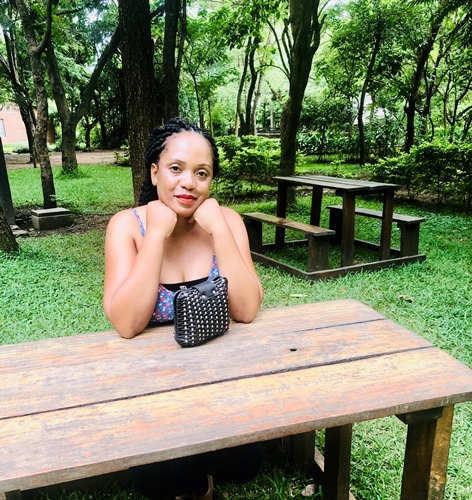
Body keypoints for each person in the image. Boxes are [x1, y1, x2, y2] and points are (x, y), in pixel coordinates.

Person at [103, 117, 264, 499]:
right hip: (153, 387)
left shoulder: (227, 221)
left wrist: (219, 229)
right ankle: (193, 485)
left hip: (221, 380)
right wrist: (157, 234)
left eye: (201, 173)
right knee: (156, 477)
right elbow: (127, 323)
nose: (189, 183)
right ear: (154, 172)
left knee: (244, 461)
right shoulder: (127, 226)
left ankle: (203, 476)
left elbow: (246, 309)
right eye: (176, 169)